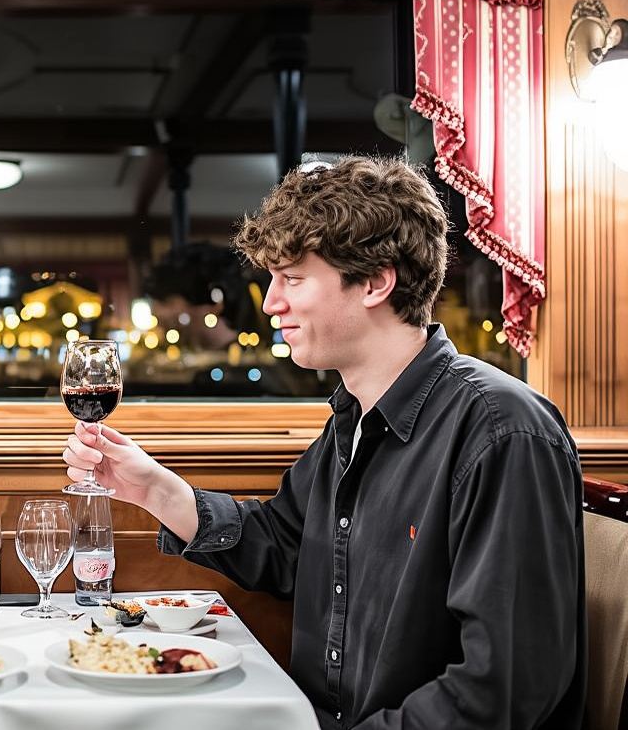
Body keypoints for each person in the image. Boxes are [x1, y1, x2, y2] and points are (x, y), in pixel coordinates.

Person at [63, 157, 586, 729]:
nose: (270, 303)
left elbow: (504, 687)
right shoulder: (353, 415)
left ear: (376, 282)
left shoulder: (501, 430)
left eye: (292, 278)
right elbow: (287, 546)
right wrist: (155, 490)